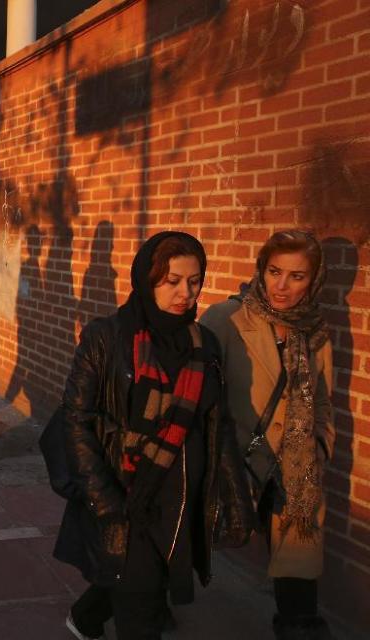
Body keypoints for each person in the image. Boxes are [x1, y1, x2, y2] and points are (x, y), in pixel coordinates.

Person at [54, 231, 253, 640]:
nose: (185, 292)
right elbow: (76, 419)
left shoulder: (206, 344)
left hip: (182, 497)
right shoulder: (107, 337)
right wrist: (105, 499)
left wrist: (236, 496)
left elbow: (220, 424)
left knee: (150, 582)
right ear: (147, 280)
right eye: (171, 281)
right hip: (128, 495)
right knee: (141, 606)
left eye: (194, 281)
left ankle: (87, 616)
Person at [201, 231, 334, 640]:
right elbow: (197, 392)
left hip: (295, 468)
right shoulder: (225, 319)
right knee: (193, 536)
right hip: (233, 461)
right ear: (261, 269)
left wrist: (320, 448)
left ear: (313, 281)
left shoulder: (314, 329)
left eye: (297, 276)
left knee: (297, 551)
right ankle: (149, 603)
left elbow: (324, 398)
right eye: (275, 271)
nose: (282, 286)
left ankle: (296, 623)